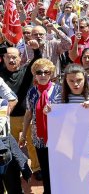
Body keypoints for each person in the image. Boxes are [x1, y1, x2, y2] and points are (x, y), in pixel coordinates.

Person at [0, 40, 42, 180]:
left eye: (14, 57)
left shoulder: (26, 71)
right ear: (3, 58)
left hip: (26, 117)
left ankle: (36, 169)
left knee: (31, 144)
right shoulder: (0, 74)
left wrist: (36, 49)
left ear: (20, 58)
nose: (11, 60)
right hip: (7, 118)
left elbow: (37, 61)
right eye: (8, 57)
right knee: (10, 147)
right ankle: (13, 171)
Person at [20, 59, 62, 194]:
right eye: (39, 72)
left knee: (58, 167)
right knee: (44, 167)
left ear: (51, 74)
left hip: (57, 136)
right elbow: (28, 113)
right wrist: (24, 133)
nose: (43, 75)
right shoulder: (31, 92)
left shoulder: (59, 90)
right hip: (39, 137)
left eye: (46, 72)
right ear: (35, 74)